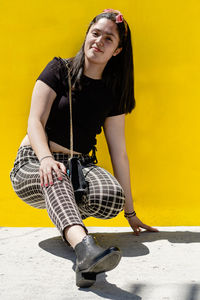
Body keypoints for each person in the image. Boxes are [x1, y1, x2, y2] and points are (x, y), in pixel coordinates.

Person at [10, 9, 158, 288]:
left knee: (111, 196)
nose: (99, 41)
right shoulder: (58, 69)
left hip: (80, 166)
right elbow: (34, 121)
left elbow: (119, 152)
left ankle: (83, 258)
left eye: (109, 39)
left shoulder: (112, 92)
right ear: (87, 35)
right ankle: (85, 246)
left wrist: (130, 211)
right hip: (34, 161)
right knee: (56, 173)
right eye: (95, 33)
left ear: (117, 51)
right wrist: (44, 159)